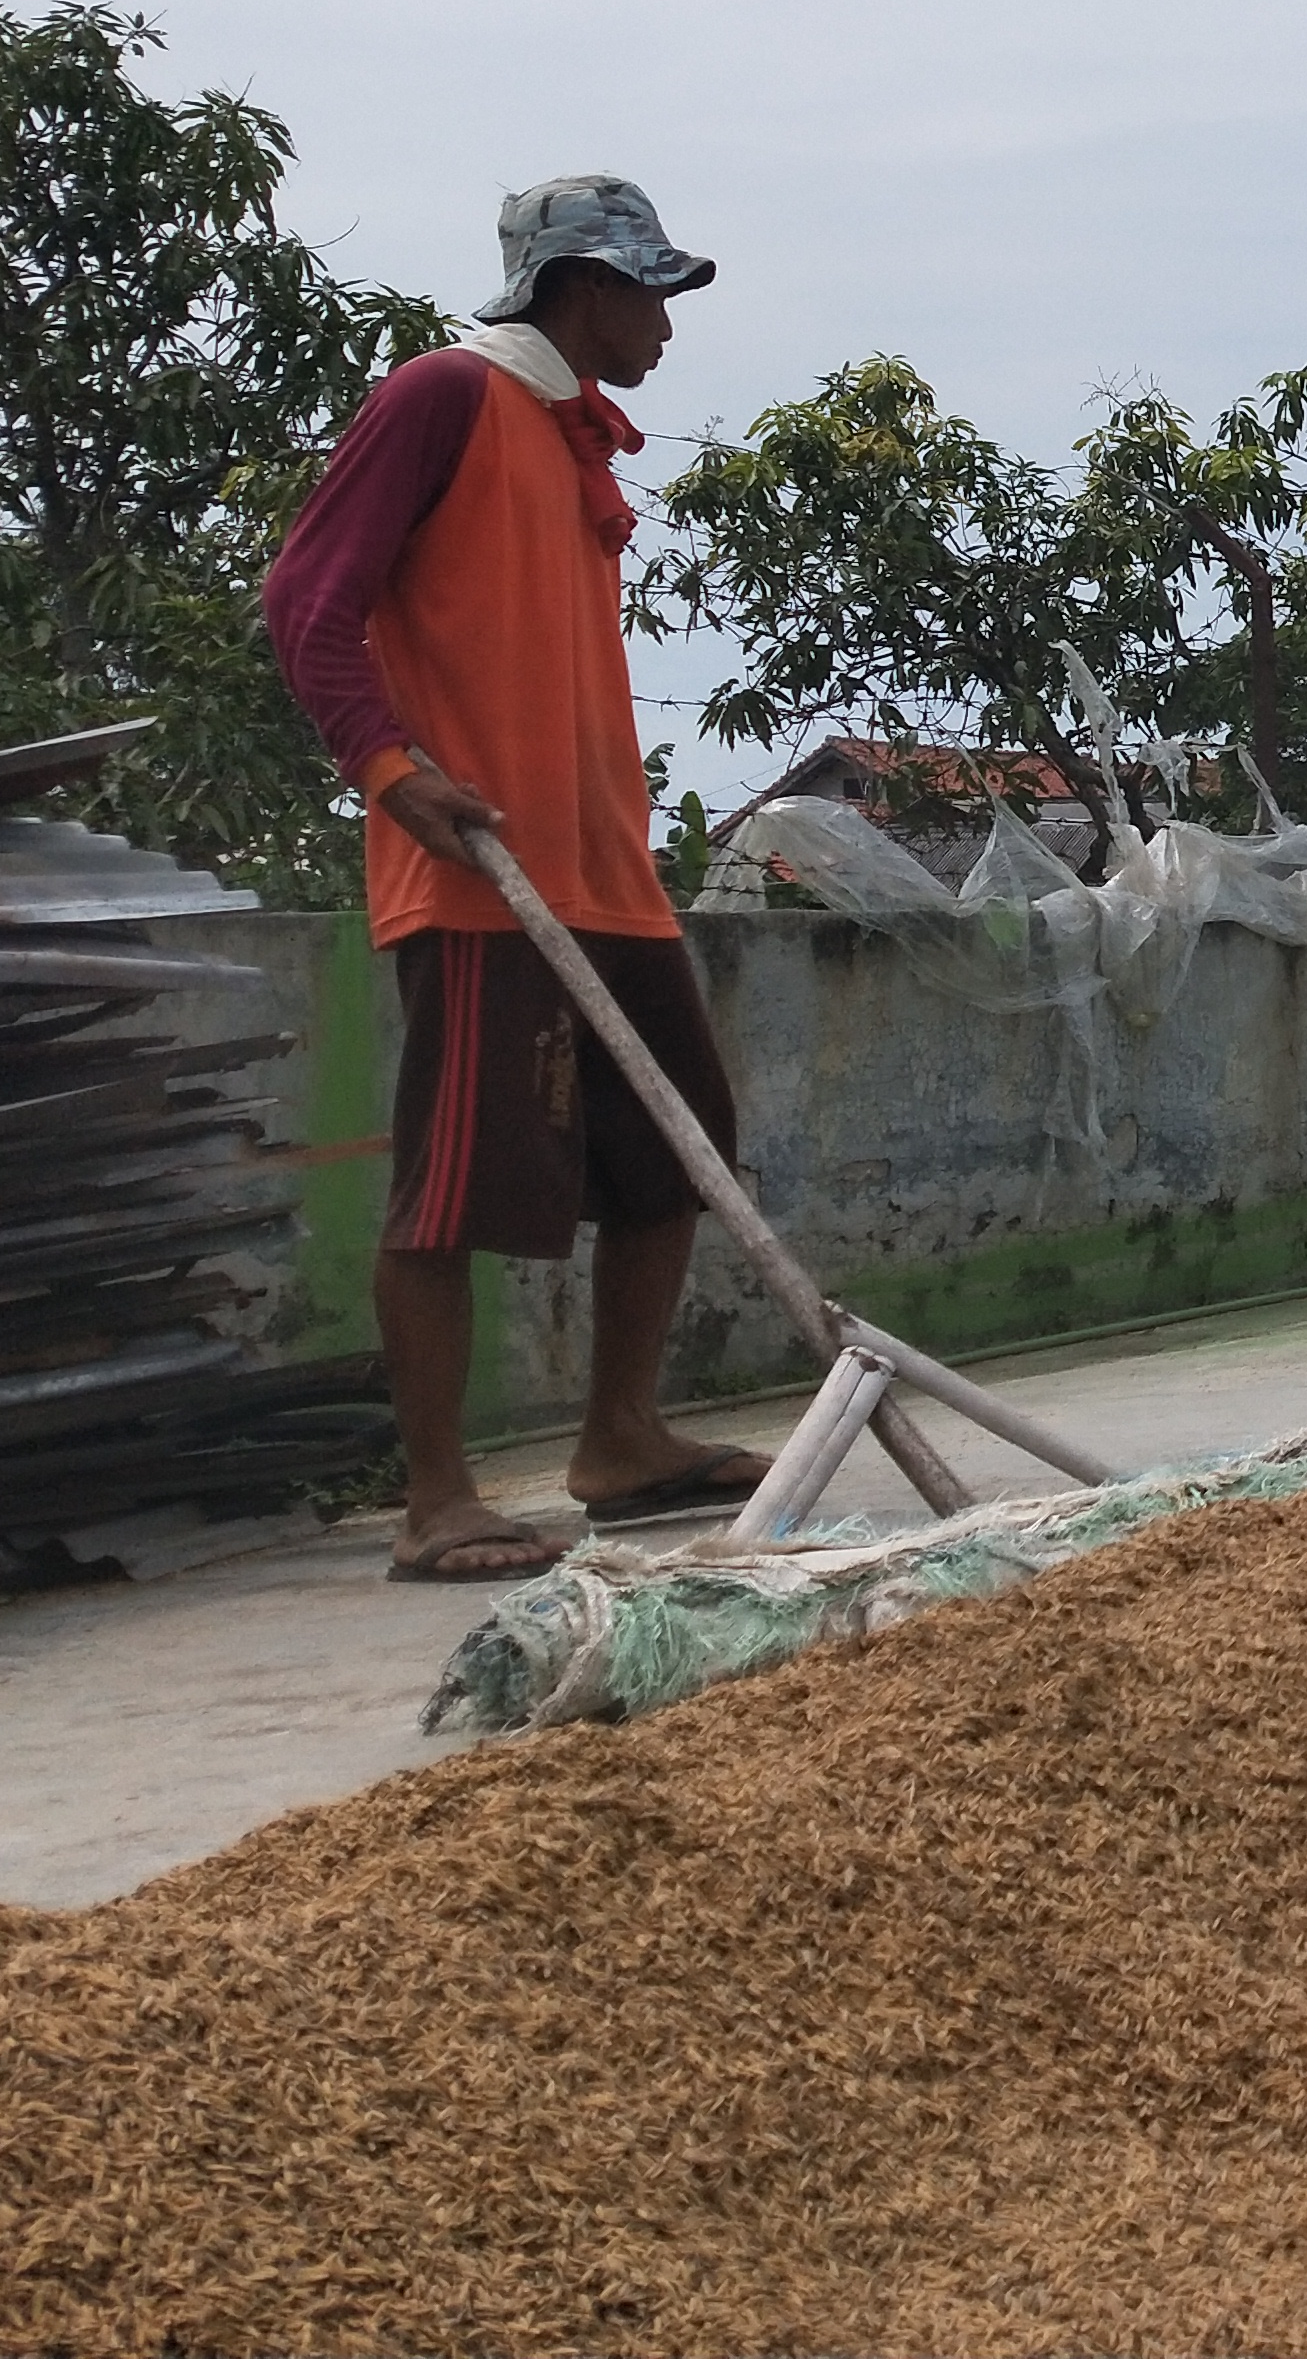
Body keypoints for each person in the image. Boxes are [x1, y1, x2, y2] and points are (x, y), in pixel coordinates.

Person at [265, 177, 770, 1580]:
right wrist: (389, 770)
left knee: (684, 1149)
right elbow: (307, 600)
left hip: (607, 870)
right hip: (487, 873)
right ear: (583, 288)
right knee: (454, 1186)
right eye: (651, 295)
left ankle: (623, 1439)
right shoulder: (445, 395)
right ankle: (439, 1500)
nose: (667, 324)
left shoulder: (573, 438)